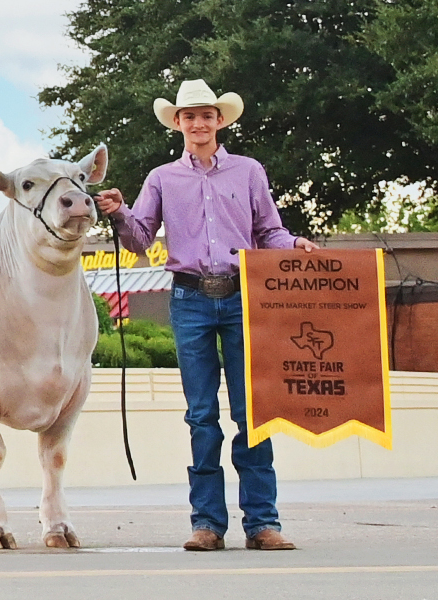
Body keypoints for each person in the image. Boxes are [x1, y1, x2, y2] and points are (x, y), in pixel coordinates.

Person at [95, 79, 317, 552]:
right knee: (201, 415)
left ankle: (262, 523)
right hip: (190, 298)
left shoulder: (249, 171)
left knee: (250, 412)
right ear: (177, 123)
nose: (198, 123)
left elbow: (269, 231)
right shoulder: (161, 178)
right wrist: (118, 213)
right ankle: (207, 525)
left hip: (243, 296)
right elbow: (139, 240)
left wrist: (294, 244)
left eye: (206, 115)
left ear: (220, 120)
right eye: (189, 116)